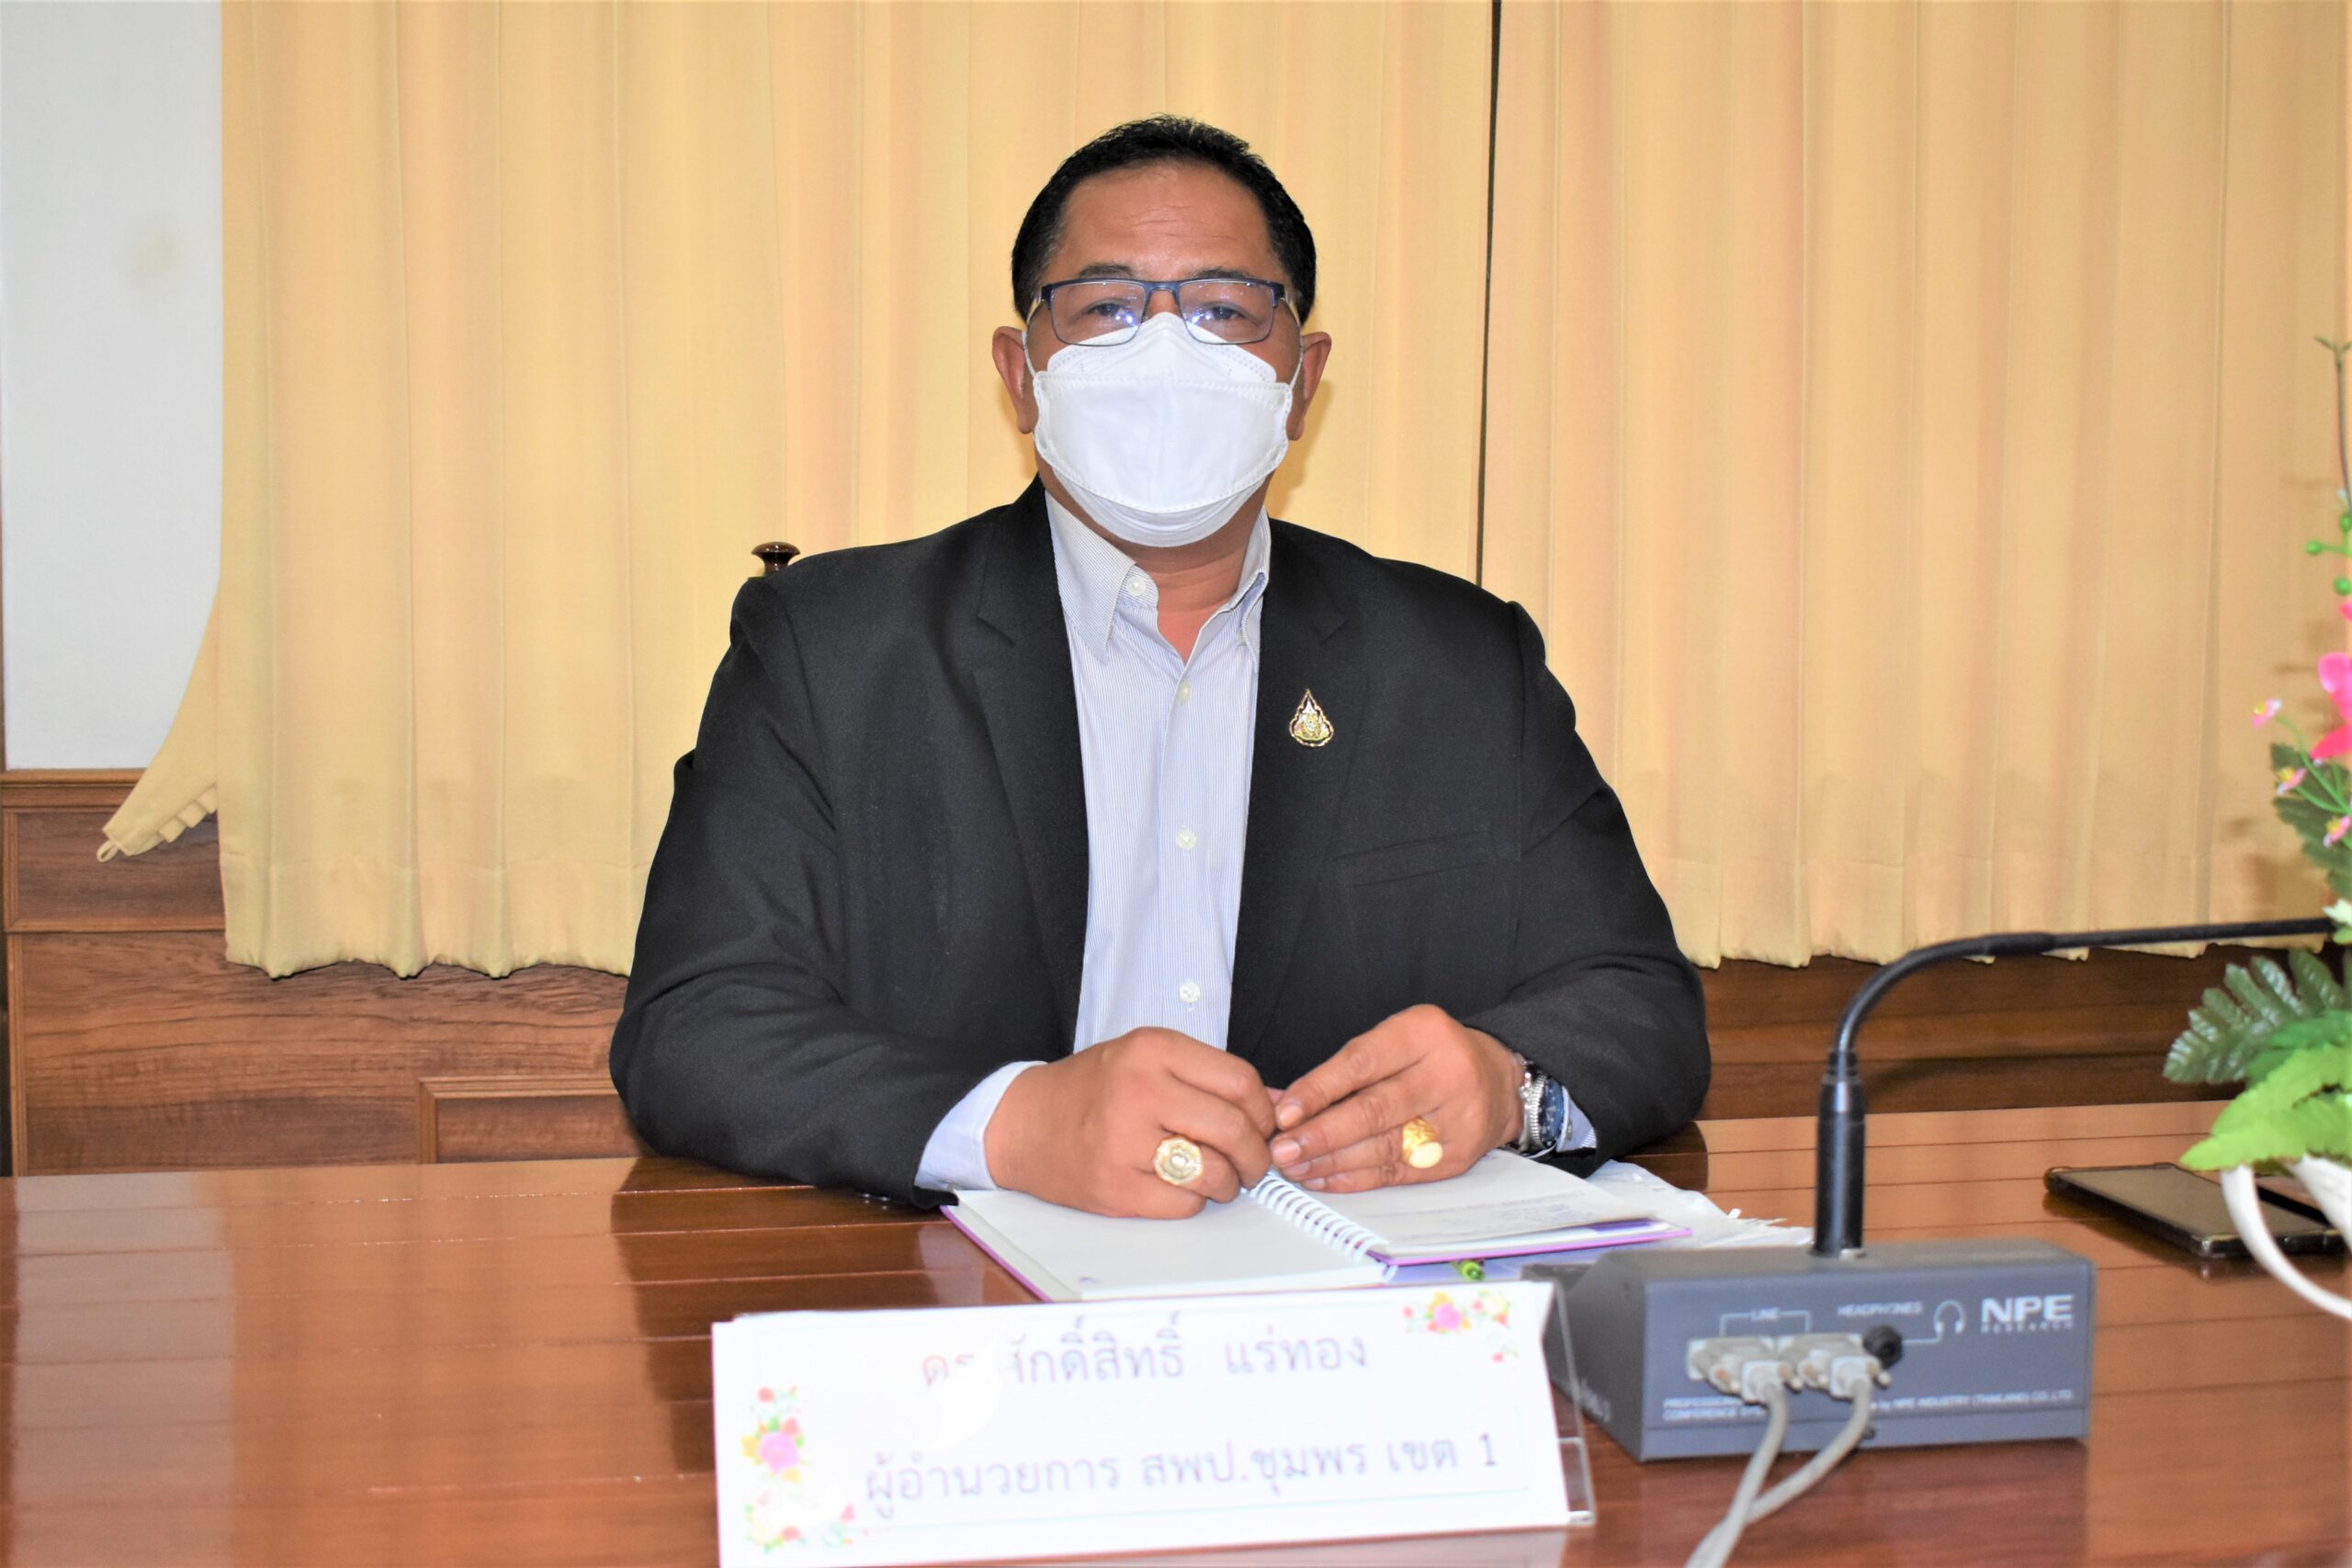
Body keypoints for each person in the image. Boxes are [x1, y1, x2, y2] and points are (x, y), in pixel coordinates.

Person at [611, 116, 1706, 1219]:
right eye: (1108, 309)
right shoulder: (831, 649)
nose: (1168, 353)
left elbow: (1638, 1004)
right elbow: (695, 1027)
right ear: (1021, 375)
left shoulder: (1460, 662)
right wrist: (1012, 1124)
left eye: (1225, 310)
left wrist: (1506, 1084)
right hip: (954, 1290)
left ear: (1303, 379)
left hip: (1345, 1291)